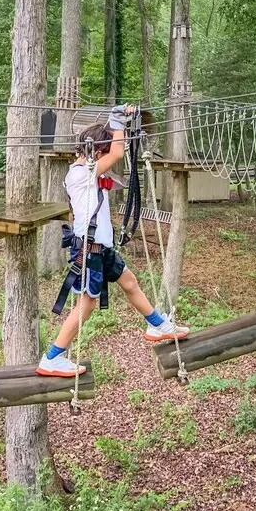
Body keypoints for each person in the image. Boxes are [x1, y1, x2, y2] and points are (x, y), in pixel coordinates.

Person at [36, 105, 190, 377]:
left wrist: (121, 127)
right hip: (90, 251)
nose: (110, 159)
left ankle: (157, 325)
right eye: (104, 153)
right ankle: (53, 357)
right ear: (97, 152)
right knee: (86, 305)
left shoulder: (90, 173)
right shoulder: (81, 173)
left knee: (130, 282)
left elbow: (117, 154)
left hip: (102, 249)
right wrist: (117, 119)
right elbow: (118, 152)